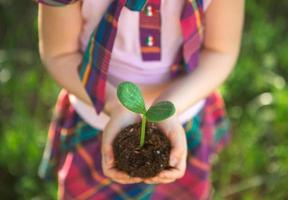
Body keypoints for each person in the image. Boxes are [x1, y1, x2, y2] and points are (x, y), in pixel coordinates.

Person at [36, 0, 244, 199]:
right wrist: (115, 105)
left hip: (184, 110)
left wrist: (170, 107)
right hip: (95, 115)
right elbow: (60, 55)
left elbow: (220, 52)